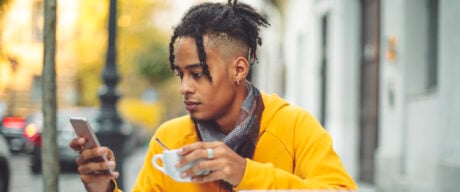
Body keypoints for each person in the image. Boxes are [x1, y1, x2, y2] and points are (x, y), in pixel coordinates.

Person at [69, 1, 358, 191]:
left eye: (197, 73)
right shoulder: (169, 139)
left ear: (239, 69)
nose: (184, 86)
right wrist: (103, 188)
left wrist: (244, 173)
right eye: (180, 74)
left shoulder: (294, 126)